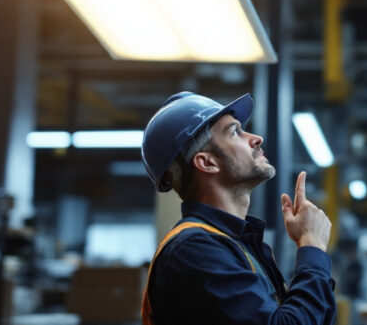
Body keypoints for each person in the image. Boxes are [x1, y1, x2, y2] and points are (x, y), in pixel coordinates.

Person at [139, 91, 336, 325]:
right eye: (235, 132)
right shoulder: (194, 249)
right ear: (207, 162)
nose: (256, 138)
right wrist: (312, 246)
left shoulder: (236, 246)